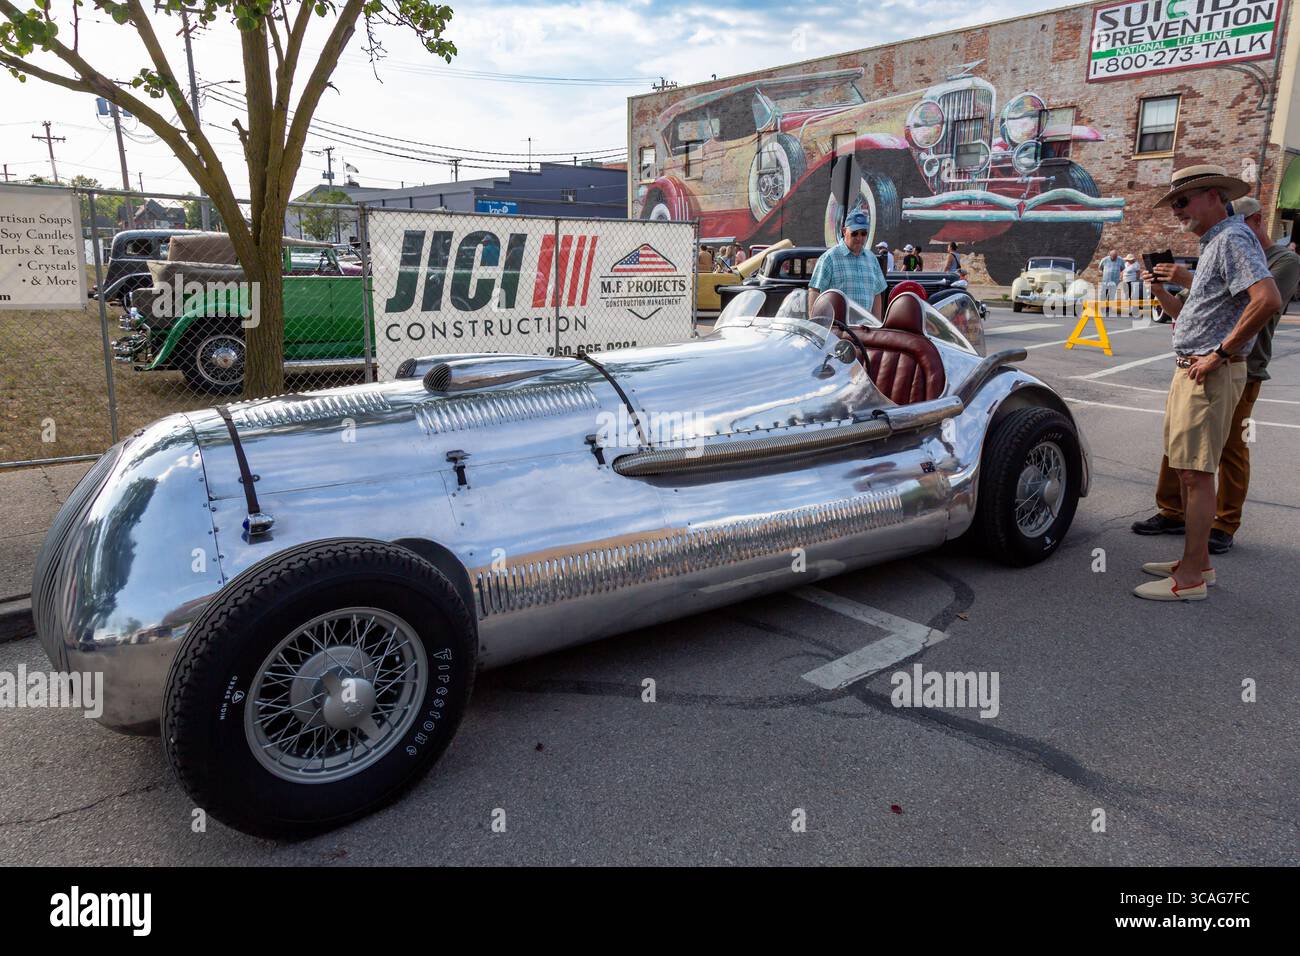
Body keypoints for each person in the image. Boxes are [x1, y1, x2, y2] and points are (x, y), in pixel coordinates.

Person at [1131, 165, 1281, 602]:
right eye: (1174, 204)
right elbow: (1188, 316)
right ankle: (1197, 561)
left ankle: (1191, 578)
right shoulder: (1217, 242)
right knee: (1186, 470)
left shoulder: (1233, 238)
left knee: (1196, 476)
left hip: (1208, 371)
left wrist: (1220, 353)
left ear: (1213, 196)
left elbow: (1268, 299)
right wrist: (1159, 289)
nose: (1177, 212)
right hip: (1194, 368)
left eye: (1182, 202)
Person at [808, 208, 886, 319]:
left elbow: (877, 293)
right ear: (844, 231)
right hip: (838, 330)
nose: (859, 238)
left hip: (865, 331)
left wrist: (877, 325)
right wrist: (816, 323)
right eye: (854, 233)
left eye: (863, 233)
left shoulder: (872, 259)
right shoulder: (829, 258)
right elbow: (815, 290)